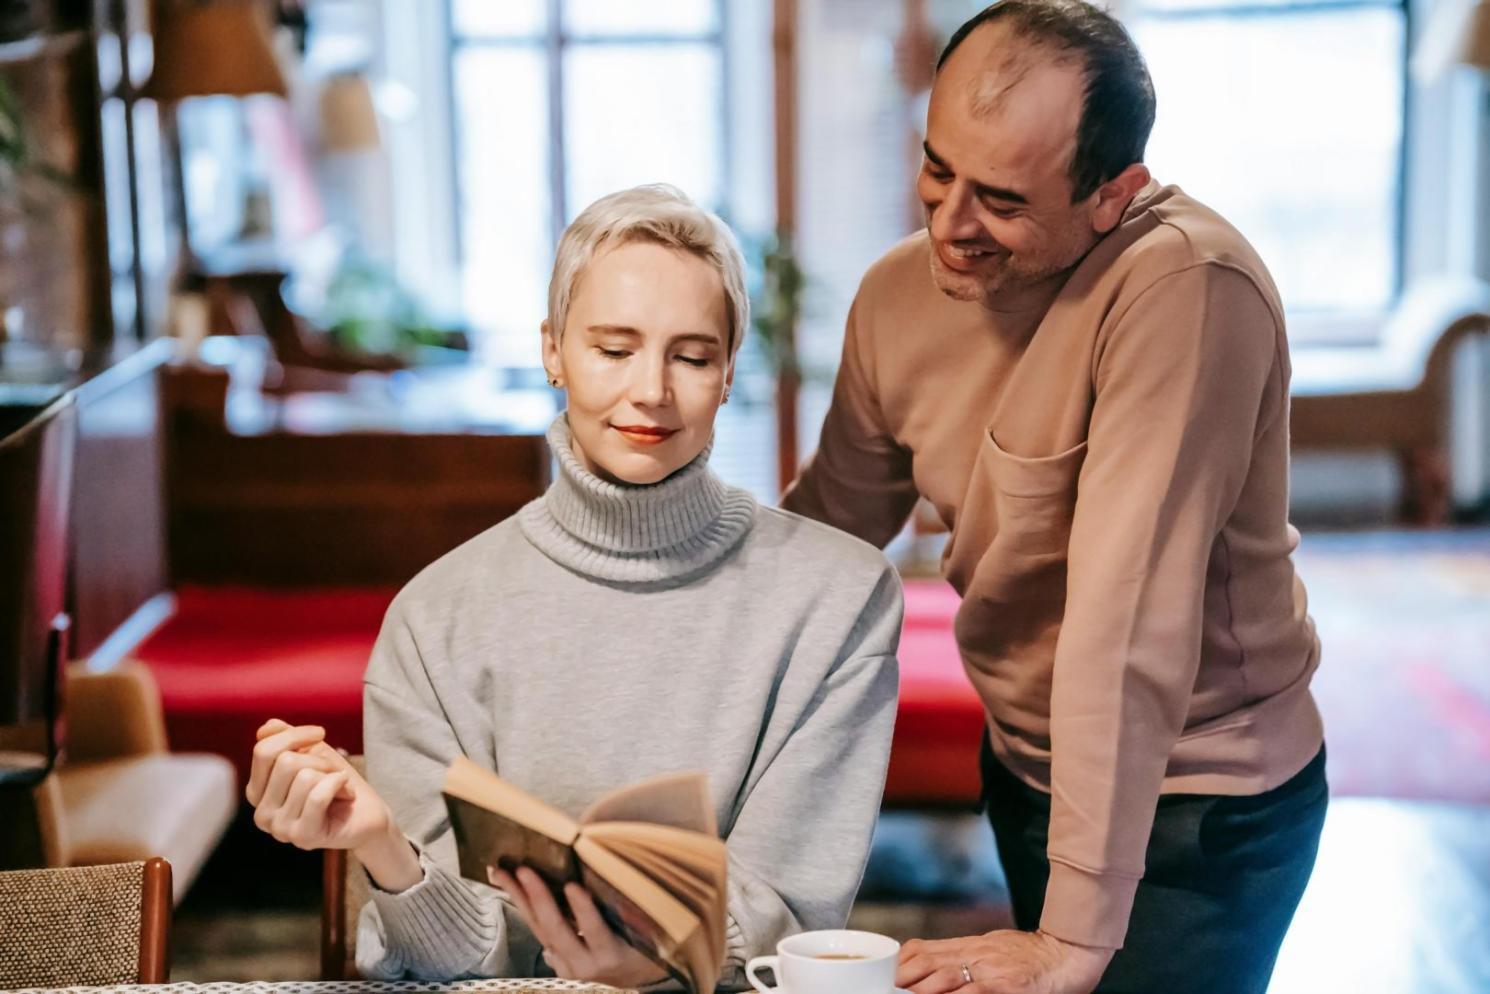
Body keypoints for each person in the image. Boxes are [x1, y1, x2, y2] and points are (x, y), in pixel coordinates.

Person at [781, 3, 1327, 992]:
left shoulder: (1187, 290)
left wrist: (1072, 936)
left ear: (1114, 194)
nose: (949, 223)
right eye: (937, 168)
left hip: (1196, 801)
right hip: (1027, 774)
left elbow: (1127, 619)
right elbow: (828, 526)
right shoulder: (896, 294)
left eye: (999, 199)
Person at [245, 184, 903, 989]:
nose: (652, 389)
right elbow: (450, 964)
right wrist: (384, 848)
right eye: (614, 350)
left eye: (693, 357)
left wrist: (658, 965)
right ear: (553, 351)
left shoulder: (841, 598)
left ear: (730, 369)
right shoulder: (433, 619)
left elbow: (788, 910)